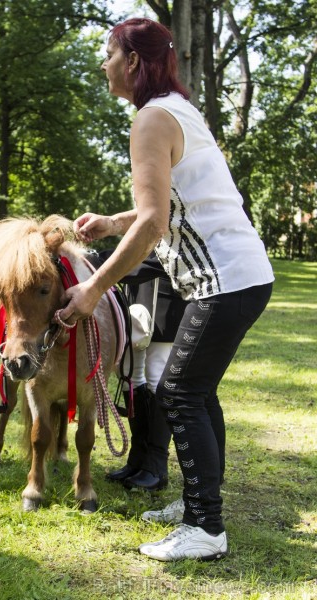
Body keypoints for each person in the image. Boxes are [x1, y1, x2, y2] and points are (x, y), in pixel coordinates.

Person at [58, 18, 274, 561]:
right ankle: (200, 507)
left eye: (109, 53)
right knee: (197, 392)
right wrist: (112, 221)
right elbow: (175, 202)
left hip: (224, 280)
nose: (103, 64)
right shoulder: (180, 110)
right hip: (240, 276)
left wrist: (91, 291)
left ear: (132, 61)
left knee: (177, 392)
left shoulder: (151, 119)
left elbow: (155, 223)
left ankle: (206, 528)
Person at [105, 253, 187, 491]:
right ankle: (138, 458)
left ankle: (156, 465)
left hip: (167, 297)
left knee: (156, 378)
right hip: (136, 294)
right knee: (131, 376)